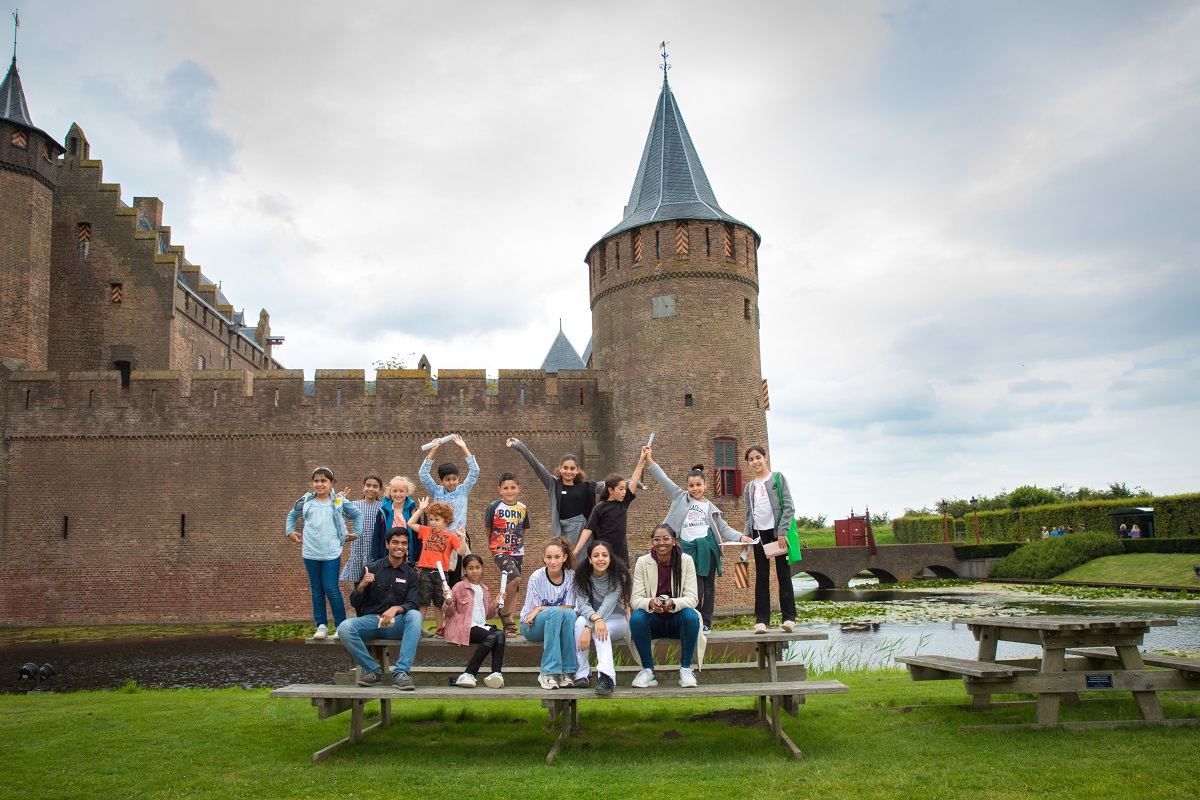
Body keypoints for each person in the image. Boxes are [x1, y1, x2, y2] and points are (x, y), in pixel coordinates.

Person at [644, 449, 741, 631]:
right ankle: (695, 619)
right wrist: (649, 460)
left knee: (709, 586)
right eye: (691, 486)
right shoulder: (680, 497)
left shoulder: (710, 507)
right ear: (687, 487)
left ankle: (707, 623)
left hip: (708, 547)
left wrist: (742, 536)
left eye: (698, 485)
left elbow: (723, 528)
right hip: (688, 549)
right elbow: (663, 479)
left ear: (705, 485)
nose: (695, 489)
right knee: (695, 587)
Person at [338, 527, 422, 689]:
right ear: (387, 544)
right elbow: (355, 602)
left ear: (407, 547)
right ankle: (372, 670)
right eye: (395, 542)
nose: (400, 546)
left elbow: (413, 602)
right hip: (371, 622)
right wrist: (361, 586)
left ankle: (401, 672)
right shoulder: (372, 568)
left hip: (395, 625)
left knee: (415, 616)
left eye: (404, 543)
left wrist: (396, 608)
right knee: (344, 628)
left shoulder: (411, 574)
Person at [285, 467, 364, 640]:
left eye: (323, 481)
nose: (319, 484)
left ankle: (340, 626)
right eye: (316, 481)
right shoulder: (306, 501)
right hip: (310, 551)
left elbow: (357, 514)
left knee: (331, 587)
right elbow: (292, 516)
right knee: (316, 589)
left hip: (331, 551)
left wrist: (356, 533)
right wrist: (290, 531)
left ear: (332, 483)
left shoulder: (339, 501)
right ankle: (321, 625)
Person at [627, 524, 704, 688]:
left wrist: (672, 603)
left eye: (666, 538)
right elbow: (635, 599)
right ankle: (648, 671)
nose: (661, 543)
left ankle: (685, 669)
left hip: (678, 621)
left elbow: (692, 598)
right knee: (637, 618)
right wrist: (650, 602)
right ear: (652, 542)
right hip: (654, 620)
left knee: (691, 616)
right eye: (657, 539)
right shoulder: (643, 562)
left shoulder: (686, 561)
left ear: (674, 541)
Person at [506, 438, 605, 550]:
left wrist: (628, 483)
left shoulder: (586, 487)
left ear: (577, 470)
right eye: (565, 468)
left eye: (572, 469)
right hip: (561, 532)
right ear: (560, 468)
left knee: (581, 564)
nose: (569, 471)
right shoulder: (553, 484)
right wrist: (519, 445)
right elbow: (536, 465)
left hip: (581, 533)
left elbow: (612, 484)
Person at [742, 444, 796, 634]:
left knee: (783, 575)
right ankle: (762, 621)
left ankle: (789, 618)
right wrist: (747, 535)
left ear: (765, 458)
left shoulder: (778, 479)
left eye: (758, 457)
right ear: (748, 463)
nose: (755, 462)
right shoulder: (749, 488)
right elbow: (749, 514)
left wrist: (782, 531)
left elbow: (788, 507)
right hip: (759, 534)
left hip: (776, 532)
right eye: (751, 459)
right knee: (762, 577)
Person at [419, 435, 480, 587]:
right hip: (440, 539)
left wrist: (463, 447)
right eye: (447, 479)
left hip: (458, 537)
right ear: (441, 481)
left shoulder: (463, 490)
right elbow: (423, 475)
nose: (452, 482)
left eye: (454, 478)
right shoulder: (437, 491)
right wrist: (434, 450)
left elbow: (474, 471)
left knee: (458, 576)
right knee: (444, 574)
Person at [573, 539, 632, 695]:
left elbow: (608, 605)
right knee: (579, 621)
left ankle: (606, 678)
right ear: (590, 559)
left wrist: (592, 626)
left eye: (605, 555)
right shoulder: (582, 577)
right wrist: (594, 621)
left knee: (601, 632)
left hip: (616, 620)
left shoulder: (618, 577)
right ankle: (582, 673)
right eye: (596, 555)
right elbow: (583, 605)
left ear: (610, 558)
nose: (601, 559)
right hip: (593, 618)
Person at [575, 446, 650, 565]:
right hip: (604, 552)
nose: (624, 491)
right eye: (621, 489)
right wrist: (576, 550)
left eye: (625, 488)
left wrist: (642, 460)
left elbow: (634, 479)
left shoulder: (624, 503)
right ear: (610, 490)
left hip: (621, 553)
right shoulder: (599, 508)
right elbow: (588, 529)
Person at [519, 537, 578, 689]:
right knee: (555, 613)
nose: (553, 561)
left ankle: (567, 670)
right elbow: (530, 615)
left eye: (557, 557)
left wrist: (539, 608)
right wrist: (538, 610)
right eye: (549, 557)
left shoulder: (571, 576)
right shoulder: (536, 578)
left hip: (556, 622)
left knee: (570, 615)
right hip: (532, 627)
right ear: (544, 558)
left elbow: (571, 608)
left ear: (564, 558)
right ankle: (548, 672)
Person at [442, 554, 506, 689]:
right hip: (463, 626)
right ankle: (469, 673)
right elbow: (449, 612)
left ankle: (496, 673)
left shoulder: (484, 589)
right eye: (470, 568)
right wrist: (448, 601)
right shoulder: (459, 587)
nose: (474, 571)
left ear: (482, 569)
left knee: (500, 634)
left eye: (478, 567)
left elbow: (487, 614)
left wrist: (496, 602)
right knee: (492, 636)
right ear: (465, 570)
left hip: (480, 625)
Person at [406, 498, 470, 634]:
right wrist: (421, 509)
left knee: (439, 602)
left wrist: (462, 537)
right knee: (423, 601)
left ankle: (440, 627)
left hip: (441, 573)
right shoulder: (426, 531)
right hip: (425, 571)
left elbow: (461, 552)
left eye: (437, 520)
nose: (433, 523)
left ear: (446, 520)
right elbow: (410, 523)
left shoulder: (451, 536)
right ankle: (418, 627)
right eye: (431, 519)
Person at [482, 471, 529, 638]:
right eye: (506, 488)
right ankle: (504, 612)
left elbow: (523, 529)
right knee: (515, 577)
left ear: (518, 489)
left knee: (515, 587)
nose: (510, 491)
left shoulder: (522, 508)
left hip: (517, 550)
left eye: (513, 488)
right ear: (500, 490)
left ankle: (509, 624)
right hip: (500, 549)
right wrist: (495, 543)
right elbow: (488, 528)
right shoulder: (494, 507)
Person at [340, 474, 383, 583]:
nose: (371, 489)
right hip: (359, 550)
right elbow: (338, 520)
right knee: (359, 588)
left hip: (376, 552)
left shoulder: (383, 507)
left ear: (380, 490)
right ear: (363, 487)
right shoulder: (354, 505)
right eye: (368, 485)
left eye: (375, 486)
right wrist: (339, 503)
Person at [371, 476, 419, 563]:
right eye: (395, 491)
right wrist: (375, 558)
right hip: (388, 555)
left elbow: (419, 535)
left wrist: (418, 557)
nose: (398, 494)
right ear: (390, 491)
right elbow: (377, 536)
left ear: (407, 492)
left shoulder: (413, 511)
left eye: (401, 491)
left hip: (407, 556)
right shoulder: (383, 511)